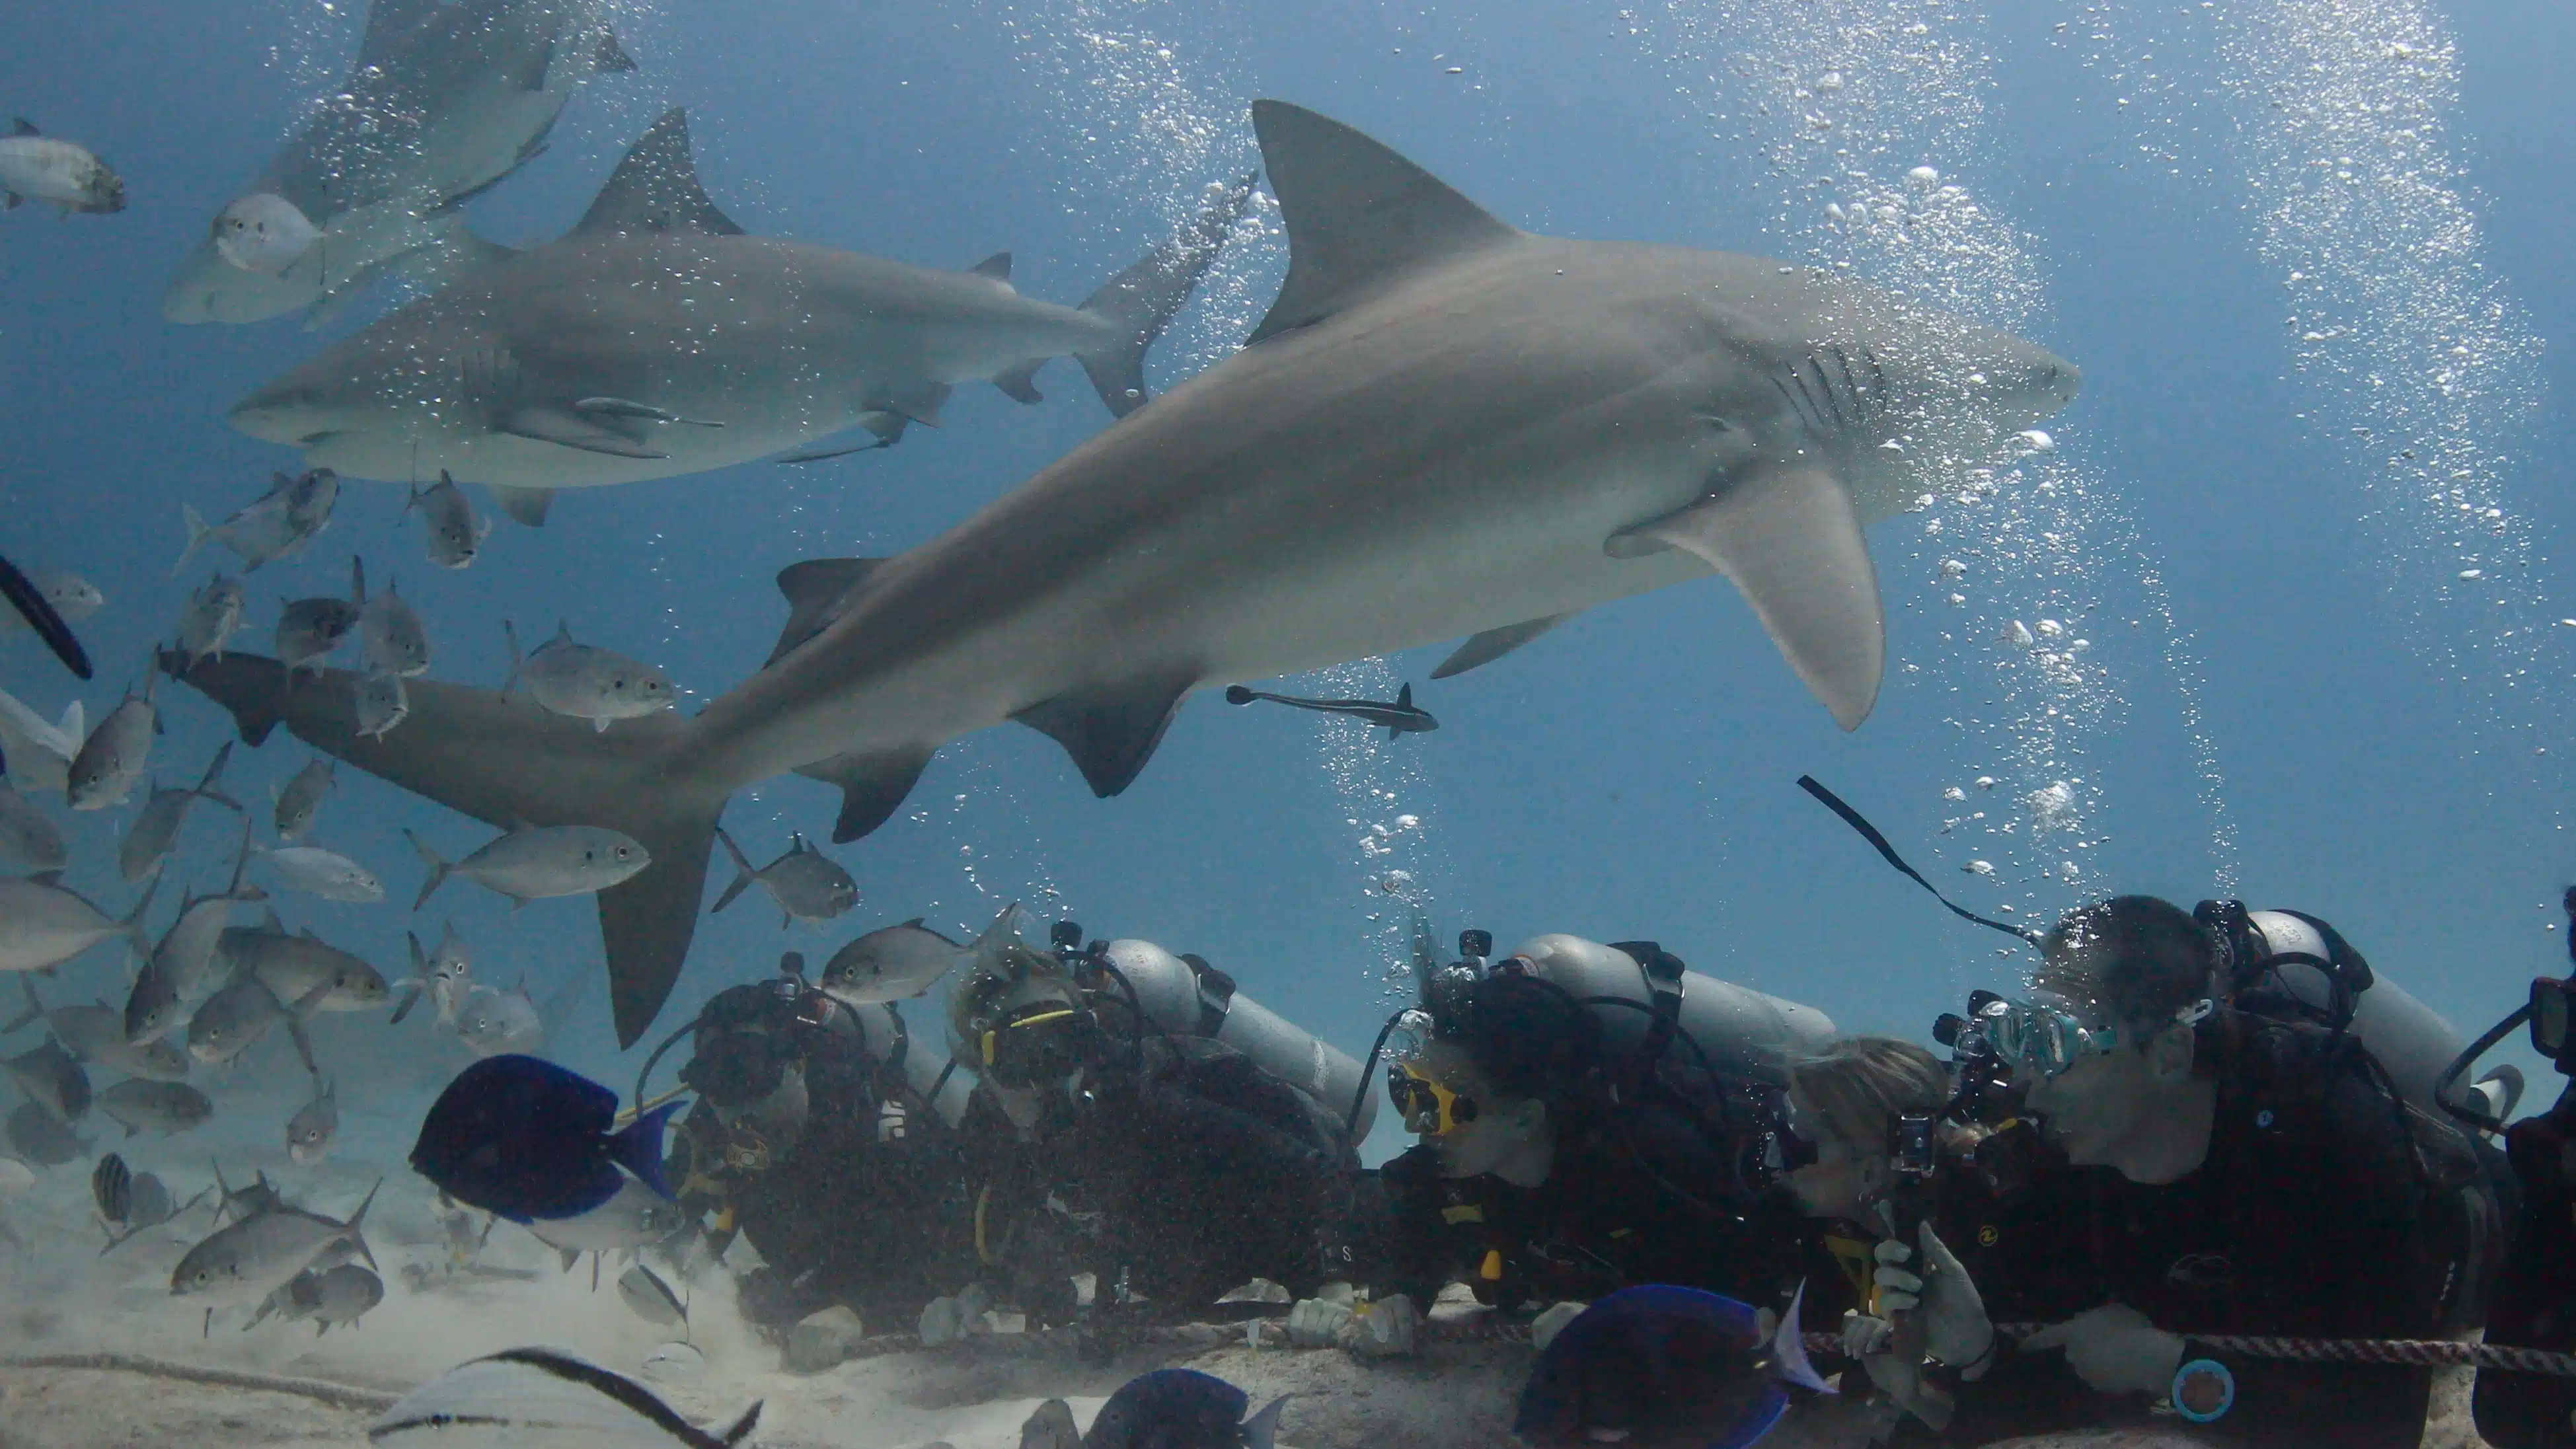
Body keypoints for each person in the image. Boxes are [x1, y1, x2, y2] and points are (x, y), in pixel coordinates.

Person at [1856, 894, 2492, 1448]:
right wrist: (1969, 1356)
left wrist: (2172, 1367)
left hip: (2472, 1236)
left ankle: (2482, 1107)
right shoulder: (2071, 1170)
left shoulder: (2319, 1128)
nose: (2026, 1083)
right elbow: (2050, 1397)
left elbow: (2384, 1425)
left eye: (2058, 1046)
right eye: (2022, 1041)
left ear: (2168, 1051)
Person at [925, 920, 1363, 1341]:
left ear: (1091, 1033)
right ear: (981, 1067)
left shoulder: (1147, 1096)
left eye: (1066, 1041)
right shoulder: (991, 1132)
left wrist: (1334, 1284)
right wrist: (972, 1294)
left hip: (1276, 1234)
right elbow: (994, 1236)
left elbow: (1318, 1172)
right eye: (1018, 1056)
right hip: (1179, 1268)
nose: (1049, 1079)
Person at [1351, 959, 1806, 1355]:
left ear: (1526, 1118)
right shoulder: (1441, 1175)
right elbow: (1408, 1258)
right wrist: (1395, 1303)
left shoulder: (1650, 1163)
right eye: (1407, 1091)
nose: (1416, 1125)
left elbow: (1751, 1297)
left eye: (1437, 1105)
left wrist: (1631, 1325)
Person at [662, 956, 977, 1336]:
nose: (738, 1103)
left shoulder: (866, 1114)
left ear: (796, 1066)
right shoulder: (707, 1128)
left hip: (877, 1265)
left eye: (752, 1075)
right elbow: (665, 1219)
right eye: (714, 1080)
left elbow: (951, 1248)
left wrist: (852, 1314)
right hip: (805, 1271)